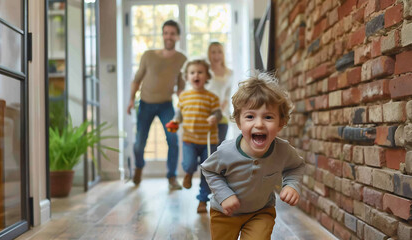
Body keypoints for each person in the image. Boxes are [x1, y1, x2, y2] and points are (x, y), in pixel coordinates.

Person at [201, 73, 305, 239]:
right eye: (250, 116)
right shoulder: (226, 152)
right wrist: (224, 195)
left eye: (268, 117)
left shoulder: (283, 150)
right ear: (239, 121)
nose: (259, 124)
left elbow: (296, 166)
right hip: (225, 213)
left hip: (261, 212)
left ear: (281, 123)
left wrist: (292, 185)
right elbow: (209, 170)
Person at [126, 20, 187, 190]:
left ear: (177, 36)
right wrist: (131, 100)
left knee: (173, 140)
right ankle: (139, 167)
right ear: (162, 35)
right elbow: (136, 80)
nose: (169, 36)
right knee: (139, 142)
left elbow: (181, 86)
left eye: (172, 33)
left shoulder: (182, 59)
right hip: (145, 104)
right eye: (166, 33)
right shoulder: (148, 55)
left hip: (166, 106)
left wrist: (183, 103)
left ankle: (172, 177)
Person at [166, 59, 222, 213]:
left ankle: (202, 200)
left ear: (206, 76)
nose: (196, 75)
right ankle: (189, 173)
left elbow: (218, 112)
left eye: (200, 72)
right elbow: (179, 113)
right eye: (192, 73)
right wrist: (175, 121)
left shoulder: (212, 97)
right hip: (190, 139)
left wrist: (214, 117)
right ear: (187, 77)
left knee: (207, 171)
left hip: (208, 141)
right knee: (189, 163)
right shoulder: (184, 96)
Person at [206, 42, 233, 145]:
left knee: (218, 145)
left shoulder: (230, 73)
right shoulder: (205, 72)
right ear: (209, 54)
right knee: (205, 146)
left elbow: (227, 94)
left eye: (219, 52)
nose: (216, 55)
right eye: (213, 52)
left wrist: (219, 111)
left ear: (223, 54)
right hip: (205, 113)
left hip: (222, 114)